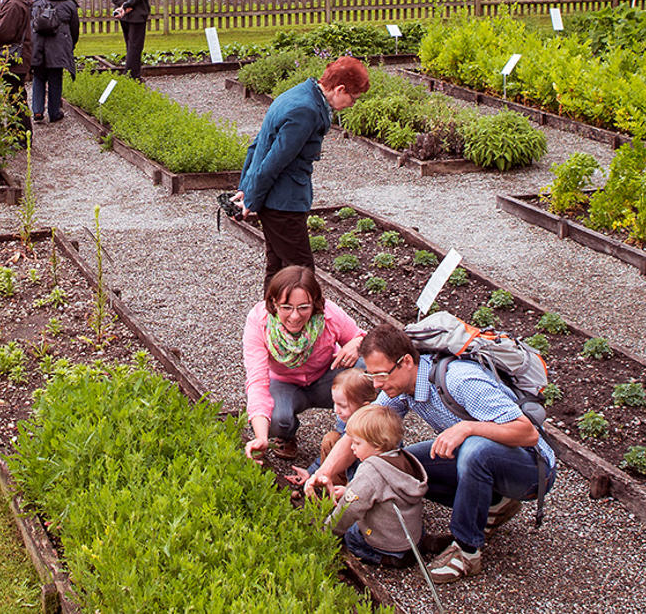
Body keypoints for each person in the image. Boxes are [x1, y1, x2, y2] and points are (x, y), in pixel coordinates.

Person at [308, 323, 555, 584]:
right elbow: (361, 432)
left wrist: (467, 427)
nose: (378, 385)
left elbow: (527, 433)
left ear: (405, 362)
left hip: (530, 469)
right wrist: (324, 472)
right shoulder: (403, 388)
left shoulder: (460, 380)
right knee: (400, 465)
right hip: (483, 459)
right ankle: (494, 503)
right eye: (372, 377)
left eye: (381, 375)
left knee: (474, 448)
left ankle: (467, 551)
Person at [232, 57, 368, 283]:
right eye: (353, 99)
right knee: (301, 277)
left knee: (278, 273)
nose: (352, 104)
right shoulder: (306, 111)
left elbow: (258, 145)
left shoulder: (296, 94)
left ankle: (270, 318)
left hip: (276, 202)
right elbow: (273, 161)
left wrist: (246, 188)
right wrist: (249, 200)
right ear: (339, 89)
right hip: (283, 204)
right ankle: (295, 318)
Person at [241, 266, 364, 460]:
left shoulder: (329, 314)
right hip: (284, 384)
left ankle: (355, 434)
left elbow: (362, 338)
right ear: (273, 303)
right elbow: (257, 382)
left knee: (364, 367)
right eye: (286, 307)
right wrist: (261, 438)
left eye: (303, 307)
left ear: (315, 304)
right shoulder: (259, 322)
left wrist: (357, 344)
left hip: (327, 378)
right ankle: (285, 435)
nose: (295, 316)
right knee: (276, 419)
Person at [324, 404, 430, 568]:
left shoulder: (371, 470)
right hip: (410, 536)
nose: (352, 447)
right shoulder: (402, 459)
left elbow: (349, 508)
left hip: (387, 545)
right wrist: (348, 490)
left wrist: (328, 531)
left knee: (352, 535)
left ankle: (387, 559)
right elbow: (382, 490)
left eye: (357, 443)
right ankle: (418, 545)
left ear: (378, 445)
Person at [28, 0, 80, 123]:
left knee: (38, 77)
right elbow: (74, 29)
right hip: (58, 48)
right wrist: (71, 46)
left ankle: (37, 111)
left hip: (38, 45)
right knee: (55, 79)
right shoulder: (69, 4)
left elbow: (30, 23)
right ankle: (54, 112)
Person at [319, 368, 376, 462]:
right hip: (349, 468)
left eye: (343, 406)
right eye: (335, 403)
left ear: (364, 406)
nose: (336, 410)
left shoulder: (378, 429)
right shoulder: (345, 418)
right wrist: (311, 472)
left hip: (370, 471)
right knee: (331, 439)